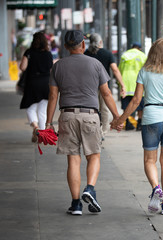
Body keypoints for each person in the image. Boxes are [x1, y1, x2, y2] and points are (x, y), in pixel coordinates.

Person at [111, 38, 163, 215]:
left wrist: (120, 120)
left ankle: (156, 187)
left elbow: (135, 101)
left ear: (152, 54)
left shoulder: (145, 72)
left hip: (150, 118)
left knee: (150, 160)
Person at [45, 30, 120, 215]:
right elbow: (107, 93)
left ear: (65, 47)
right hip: (90, 116)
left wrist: (48, 122)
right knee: (93, 155)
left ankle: (76, 204)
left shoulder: (58, 66)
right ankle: (90, 188)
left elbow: (53, 96)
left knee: (73, 160)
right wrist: (117, 117)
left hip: (67, 115)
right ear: (83, 45)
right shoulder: (95, 64)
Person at [84, 33, 126, 139]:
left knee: (91, 108)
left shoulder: (86, 54)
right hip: (104, 85)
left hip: (89, 86)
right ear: (100, 42)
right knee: (104, 109)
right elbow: (115, 70)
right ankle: (103, 131)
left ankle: (94, 129)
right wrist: (122, 85)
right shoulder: (107, 54)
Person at [19, 31, 53, 142]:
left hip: (32, 83)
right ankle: (42, 136)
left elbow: (23, 67)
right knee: (42, 111)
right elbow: (51, 69)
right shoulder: (48, 54)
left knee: (30, 108)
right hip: (46, 84)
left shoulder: (29, 52)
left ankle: (36, 127)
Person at [119, 42, 147, 131]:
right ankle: (139, 123)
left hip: (126, 82)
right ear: (140, 48)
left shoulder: (124, 55)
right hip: (137, 82)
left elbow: (120, 69)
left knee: (126, 104)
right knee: (140, 105)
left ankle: (127, 122)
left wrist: (120, 83)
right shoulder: (142, 56)